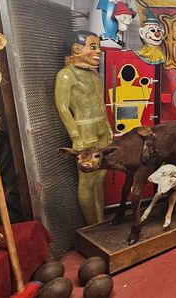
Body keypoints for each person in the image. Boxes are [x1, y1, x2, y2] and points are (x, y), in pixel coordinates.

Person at [55, 31, 112, 225]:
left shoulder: (94, 73)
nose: (98, 52)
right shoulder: (66, 75)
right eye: (93, 47)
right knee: (87, 179)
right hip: (84, 131)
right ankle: (92, 226)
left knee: (101, 177)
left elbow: (101, 103)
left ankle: (101, 221)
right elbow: (63, 108)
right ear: (77, 49)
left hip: (101, 129)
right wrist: (75, 135)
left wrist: (107, 126)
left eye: (99, 47)